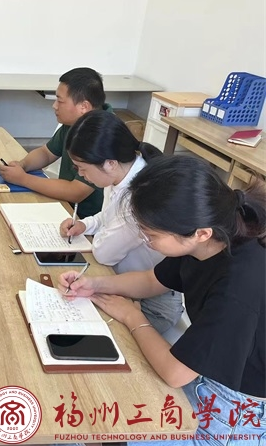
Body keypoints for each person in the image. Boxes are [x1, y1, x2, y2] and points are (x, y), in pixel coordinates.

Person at [57, 155, 265, 445]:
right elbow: (152, 280)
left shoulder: (238, 286)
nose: (146, 240)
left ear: (200, 234)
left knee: (94, 425)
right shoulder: (209, 237)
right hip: (206, 373)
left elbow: (175, 373)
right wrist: (94, 284)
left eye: (151, 235)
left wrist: (132, 316)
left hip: (234, 411)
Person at [59, 110, 183, 333]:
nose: (81, 175)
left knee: (83, 327)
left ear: (110, 163)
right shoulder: (120, 175)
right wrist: (85, 225)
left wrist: (100, 234)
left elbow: (103, 253)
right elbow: (107, 217)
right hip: (122, 281)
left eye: (82, 169)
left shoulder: (138, 195)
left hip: (153, 303)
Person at [0, 67, 110, 218]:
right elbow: (46, 153)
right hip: (65, 205)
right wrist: (22, 165)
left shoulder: (103, 135)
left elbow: (76, 192)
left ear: (84, 107)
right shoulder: (74, 123)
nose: (54, 106)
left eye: (60, 101)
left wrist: (23, 179)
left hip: (87, 219)